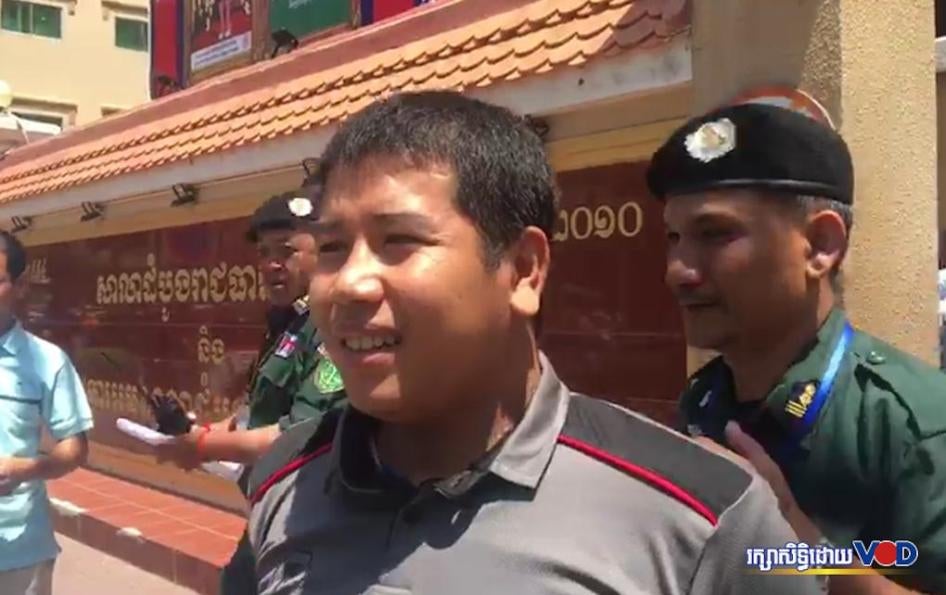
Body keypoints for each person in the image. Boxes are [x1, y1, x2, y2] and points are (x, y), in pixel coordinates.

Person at [243, 90, 820, 595]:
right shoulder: (281, 485)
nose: (349, 283)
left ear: (523, 270)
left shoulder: (703, 515)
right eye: (333, 249)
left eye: (399, 241)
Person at [648, 100, 946, 594]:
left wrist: (789, 533)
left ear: (820, 245)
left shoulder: (914, 423)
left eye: (715, 234)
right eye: (674, 238)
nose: (678, 271)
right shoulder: (703, 402)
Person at [152, 190, 347, 595]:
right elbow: (259, 411)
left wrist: (203, 446)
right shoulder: (289, 322)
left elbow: (298, 433)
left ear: (324, 251)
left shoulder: (335, 325)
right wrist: (204, 431)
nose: (271, 264)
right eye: (263, 253)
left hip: (313, 516)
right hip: (271, 507)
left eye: (287, 251)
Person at [0, 231, 94, 595]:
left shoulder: (47, 361)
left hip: (20, 555)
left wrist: (28, 468)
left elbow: (75, 446)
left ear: (20, 286)